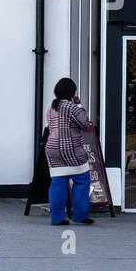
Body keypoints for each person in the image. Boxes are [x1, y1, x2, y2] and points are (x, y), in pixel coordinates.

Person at [45, 78, 94, 226]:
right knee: (81, 180)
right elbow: (85, 123)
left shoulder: (51, 107)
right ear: (72, 92)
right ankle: (79, 215)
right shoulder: (71, 107)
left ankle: (57, 218)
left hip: (52, 148)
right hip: (71, 148)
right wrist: (78, 104)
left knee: (58, 182)